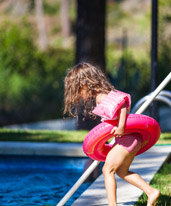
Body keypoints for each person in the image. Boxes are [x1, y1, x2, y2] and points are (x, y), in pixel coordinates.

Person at [64, 62, 160, 206]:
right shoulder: (104, 94)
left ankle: (112, 204)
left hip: (127, 138)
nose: (79, 95)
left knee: (107, 169)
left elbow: (122, 104)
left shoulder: (101, 96)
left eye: (78, 90)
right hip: (130, 139)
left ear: (86, 84)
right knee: (122, 172)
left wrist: (121, 127)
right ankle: (151, 192)